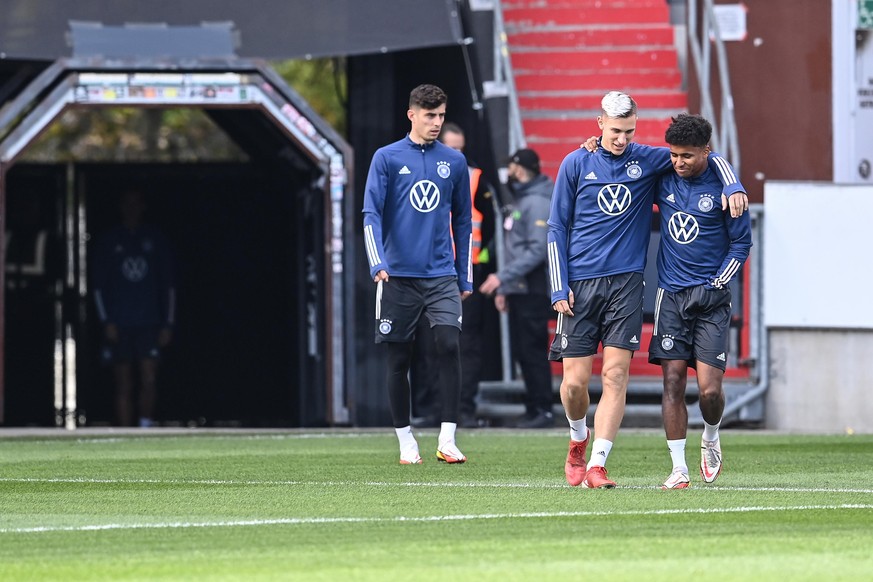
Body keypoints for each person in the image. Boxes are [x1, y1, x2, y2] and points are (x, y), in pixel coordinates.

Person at [547, 91, 748, 488]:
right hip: (580, 282)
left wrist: (732, 183)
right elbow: (556, 226)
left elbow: (703, 153)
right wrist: (558, 285)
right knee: (573, 384)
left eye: (630, 131)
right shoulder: (575, 162)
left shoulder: (650, 159)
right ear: (599, 123)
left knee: (616, 375)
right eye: (616, 130)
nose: (622, 139)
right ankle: (577, 439)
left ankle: (598, 465)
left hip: (627, 282)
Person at [362, 84, 473, 465]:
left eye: (441, 115)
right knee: (399, 359)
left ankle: (448, 437)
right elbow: (370, 214)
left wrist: (465, 275)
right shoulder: (386, 158)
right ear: (412, 115)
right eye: (430, 116)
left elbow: (463, 220)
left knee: (448, 343)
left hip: (441, 274)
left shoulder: (454, 161)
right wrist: (378, 262)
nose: (436, 123)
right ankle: (405, 440)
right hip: (396, 276)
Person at [649, 114, 752, 489]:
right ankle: (678, 468)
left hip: (711, 299)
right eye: (674, 155)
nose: (679, 162)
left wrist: (718, 282)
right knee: (673, 381)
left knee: (709, 389)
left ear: (706, 151)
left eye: (687, 156)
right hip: (671, 296)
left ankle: (710, 434)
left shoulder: (727, 192)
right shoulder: (663, 178)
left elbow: (742, 244)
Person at [479, 147, 555, 429]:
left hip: (533, 288)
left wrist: (502, 278)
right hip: (520, 287)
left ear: (519, 170)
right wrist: (505, 287)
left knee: (532, 350)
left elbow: (537, 251)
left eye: (511, 168)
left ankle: (542, 410)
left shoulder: (536, 202)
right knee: (525, 351)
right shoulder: (524, 199)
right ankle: (535, 407)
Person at [92, 189, 176, 427]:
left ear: (143, 206)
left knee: (149, 378)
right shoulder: (110, 241)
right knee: (123, 382)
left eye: (136, 203)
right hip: (120, 323)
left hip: (148, 323)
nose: (131, 208)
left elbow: (168, 286)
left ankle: (145, 427)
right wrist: (106, 321)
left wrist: (167, 324)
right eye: (127, 203)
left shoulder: (155, 239)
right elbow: (98, 286)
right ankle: (126, 431)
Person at [439, 121, 498, 428]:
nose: (457, 155)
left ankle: (464, 408)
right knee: (430, 342)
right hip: (431, 270)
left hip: (466, 270)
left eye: (460, 149)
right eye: (451, 148)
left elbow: (488, 230)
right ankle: (429, 409)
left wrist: (483, 267)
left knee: (467, 343)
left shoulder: (476, 179)